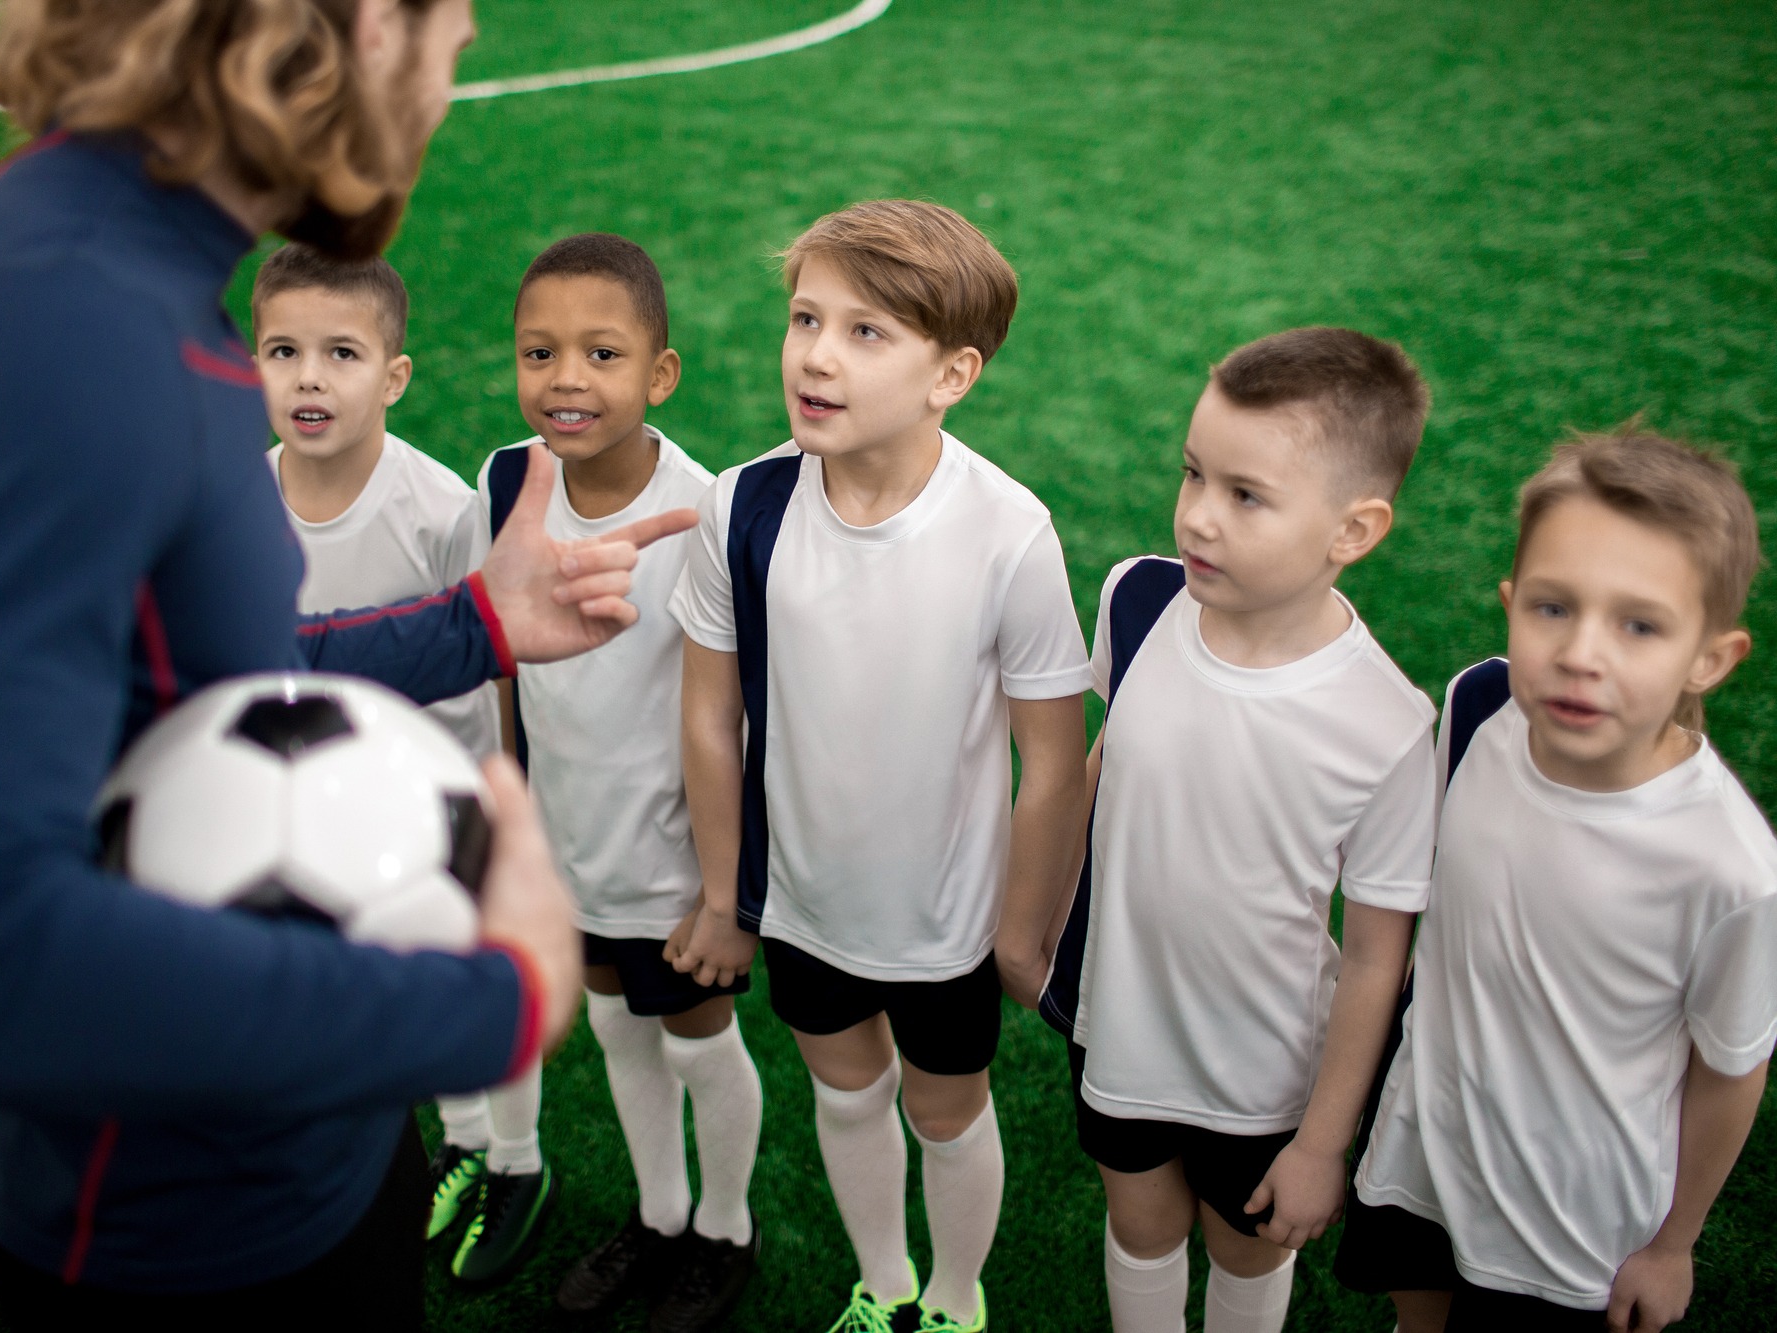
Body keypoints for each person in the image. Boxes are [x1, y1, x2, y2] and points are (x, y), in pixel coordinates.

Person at [0, 1, 694, 1325]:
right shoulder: (57, 331)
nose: (461, 56)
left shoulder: (97, 267)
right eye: (447, 22)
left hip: (285, 1157)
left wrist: (470, 624)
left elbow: (171, 675)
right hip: (195, 1237)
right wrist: (479, 1004)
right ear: (357, 27)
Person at [665, 200, 1093, 1333]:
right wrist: (727, 893)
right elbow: (710, 712)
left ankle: (954, 1300)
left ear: (952, 373)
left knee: (947, 1113)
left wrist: (1021, 929)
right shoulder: (743, 503)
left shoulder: (1009, 531)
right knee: (846, 1095)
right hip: (805, 905)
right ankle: (883, 1284)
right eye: (805, 317)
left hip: (943, 920)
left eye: (865, 333)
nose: (814, 354)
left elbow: (1051, 762)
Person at [1035, 328, 1437, 1333]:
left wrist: (1318, 1144)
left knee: (1239, 1249)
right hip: (1122, 1027)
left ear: (1353, 530)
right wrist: (1025, 933)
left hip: (1265, 1076)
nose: (1198, 517)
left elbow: (1379, 958)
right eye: (1191, 474)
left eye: (1245, 495)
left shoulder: (1387, 727)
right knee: (1138, 1226)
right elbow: (1097, 773)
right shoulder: (1137, 601)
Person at [1336, 429, 1776, 1333]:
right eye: (1551, 608)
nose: (1581, 652)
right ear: (1509, 604)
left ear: (1710, 657)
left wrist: (1671, 1243)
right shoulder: (1487, 727)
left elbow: (1730, 1069)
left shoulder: (1724, 866)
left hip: (1567, 1228)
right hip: (1422, 1154)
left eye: (1638, 624)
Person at [450, 233, 763, 1330]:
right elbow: (503, 665)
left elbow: (737, 717)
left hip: (674, 864)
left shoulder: (709, 514)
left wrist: (726, 894)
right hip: (570, 846)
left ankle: (724, 1228)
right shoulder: (505, 483)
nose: (567, 379)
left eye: (600, 353)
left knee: (697, 1041)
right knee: (621, 1033)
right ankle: (660, 1212)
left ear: (658, 374)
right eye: (539, 353)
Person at [254, 242, 502, 760]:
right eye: (284, 351)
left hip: (430, 808)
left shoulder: (448, 515)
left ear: (394, 379)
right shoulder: (235, 509)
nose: (308, 377)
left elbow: (498, 663)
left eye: (342, 353)